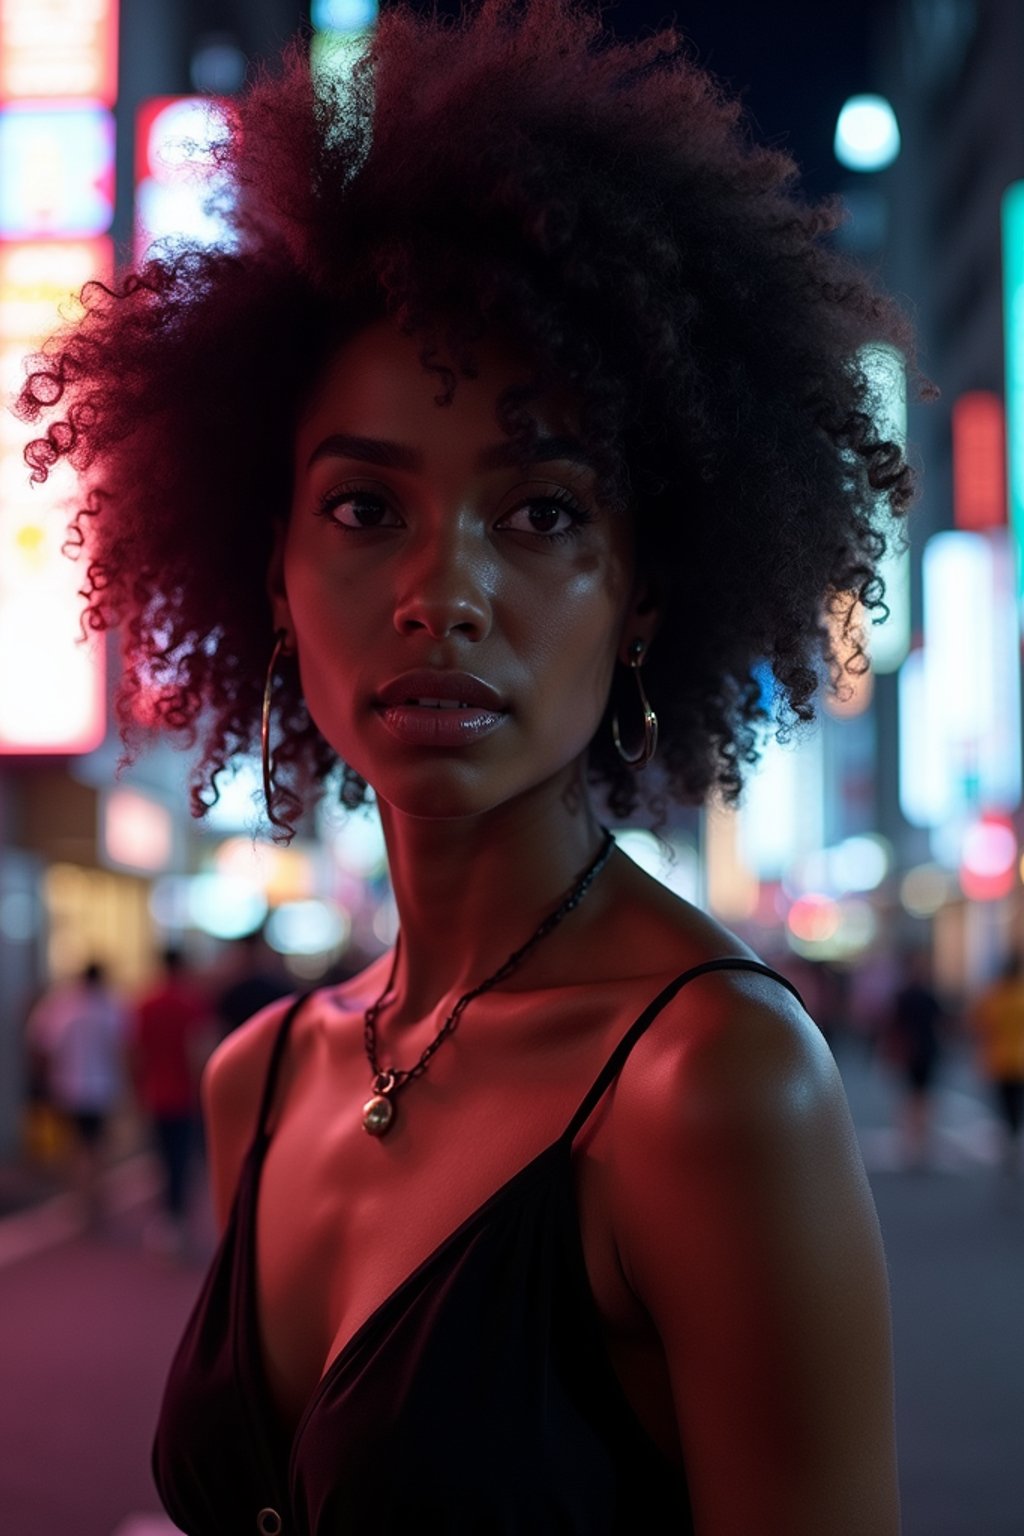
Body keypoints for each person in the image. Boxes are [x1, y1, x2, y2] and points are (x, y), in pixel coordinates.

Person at [17, 2, 911, 1529]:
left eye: (544, 511)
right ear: (271, 571)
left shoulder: (716, 1085)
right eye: (366, 509)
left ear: (647, 591)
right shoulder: (265, 1076)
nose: (449, 590)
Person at [25, 960, 127, 1228]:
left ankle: (82, 1198)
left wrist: (45, 1077)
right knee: (96, 1144)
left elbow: (40, 1043)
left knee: (77, 1145)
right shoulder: (110, 1007)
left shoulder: (62, 1006)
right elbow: (123, 1047)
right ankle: (93, 1197)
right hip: (102, 1086)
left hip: (68, 1086)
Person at [130, 945, 218, 1253]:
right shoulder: (192, 1003)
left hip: (155, 1094)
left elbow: (135, 1052)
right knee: (183, 1160)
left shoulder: (146, 1003)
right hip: (184, 1096)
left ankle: (168, 1219)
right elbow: (200, 1049)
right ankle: (176, 1220)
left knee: (162, 1159)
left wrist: (136, 1088)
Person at [883, 947, 946, 1168]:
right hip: (925, 1050)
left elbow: (893, 1025)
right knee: (921, 1098)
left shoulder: (905, 996)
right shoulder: (928, 996)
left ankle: (912, 1143)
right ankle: (919, 1142)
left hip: (914, 1051)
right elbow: (941, 1024)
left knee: (913, 1098)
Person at [970, 950, 1024, 1174]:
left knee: (1004, 1106)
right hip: (1020, 1061)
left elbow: (979, 1026)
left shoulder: (992, 996)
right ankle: (1014, 1138)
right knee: (1018, 1105)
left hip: (998, 1060)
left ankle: (1010, 1139)